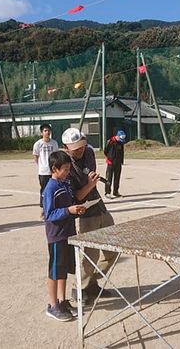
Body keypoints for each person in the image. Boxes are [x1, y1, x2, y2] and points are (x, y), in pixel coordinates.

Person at [61, 128, 117, 305]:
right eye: (75, 149)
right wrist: (90, 184)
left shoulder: (90, 152)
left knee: (113, 248)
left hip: (99, 205)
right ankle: (79, 287)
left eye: (82, 146)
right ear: (66, 147)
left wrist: (91, 182)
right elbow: (76, 196)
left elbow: (89, 175)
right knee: (90, 252)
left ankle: (91, 282)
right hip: (85, 212)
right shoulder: (64, 164)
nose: (80, 151)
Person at [43, 151, 85, 321]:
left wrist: (77, 210)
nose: (68, 172)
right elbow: (49, 214)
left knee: (64, 270)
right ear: (54, 169)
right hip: (56, 236)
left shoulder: (65, 184)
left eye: (69, 169)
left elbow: (68, 207)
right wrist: (68, 210)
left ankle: (62, 301)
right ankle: (52, 305)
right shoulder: (50, 188)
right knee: (54, 271)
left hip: (68, 233)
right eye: (65, 169)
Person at [32, 123, 58, 214]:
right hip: (43, 171)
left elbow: (56, 156)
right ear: (42, 133)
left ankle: (53, 204)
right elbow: (35, 155)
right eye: (45, 131)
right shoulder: (38, 144)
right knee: (44, 189)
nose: (47, 132)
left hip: (53, 171)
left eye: (48, 131)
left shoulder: (54, 143)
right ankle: (43, 207)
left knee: (54, 188)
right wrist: (40, 165)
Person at [103, 129, 126, 199]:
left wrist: (121, 161)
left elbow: (122, 152)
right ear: (117, 136)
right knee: (108, 178)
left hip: (118, 163)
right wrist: (109, 158)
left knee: (117, 178)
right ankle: (107, 192)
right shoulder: (110, 142)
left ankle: (115, 191)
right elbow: (105, 151)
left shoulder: (120, 143)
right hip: (110, 163)